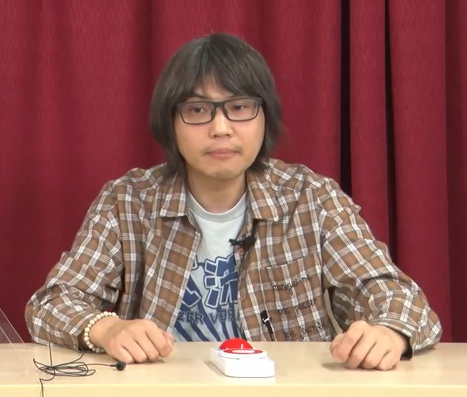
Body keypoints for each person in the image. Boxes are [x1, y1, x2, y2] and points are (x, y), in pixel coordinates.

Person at [25, 33, 441, 371]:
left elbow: (400, 298)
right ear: (170, 122)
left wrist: (389, 332)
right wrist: (106, 329)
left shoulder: (311, 198)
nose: (221, 128)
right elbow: (50, 304)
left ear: (264, 117)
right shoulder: (127, 202)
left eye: (239, 107)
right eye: (197, 110)